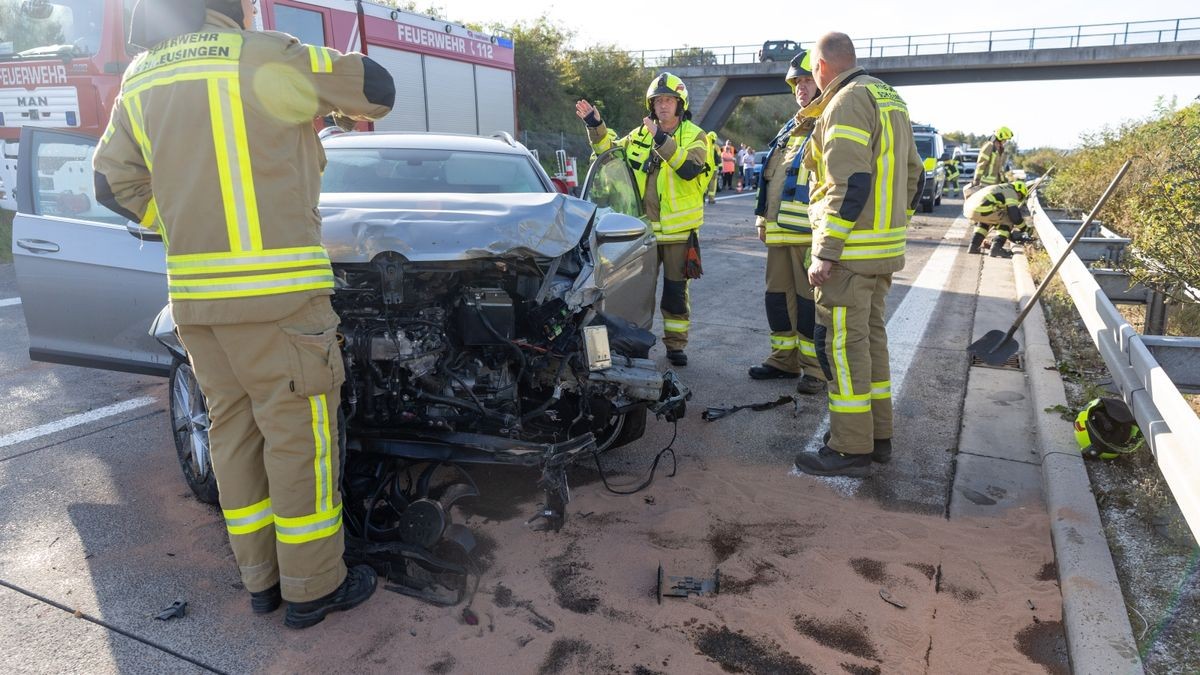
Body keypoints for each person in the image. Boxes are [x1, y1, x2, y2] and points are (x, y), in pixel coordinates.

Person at [93, 0, 395, 628]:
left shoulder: (141, 77)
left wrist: (178, 225)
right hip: (281, 300)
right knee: (297, 440)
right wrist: (325, 90)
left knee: (231, 433)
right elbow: (377, 89)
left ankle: (262, 580)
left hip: (197, 304)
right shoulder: (265, 55)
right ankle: (313, 587)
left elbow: (110, 184)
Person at [792, 32, 923, 477]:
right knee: (871, 344)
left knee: (843, 349)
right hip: (881, 251)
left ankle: (850, 447)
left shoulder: (847, 100)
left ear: (823, 67)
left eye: (812, 68)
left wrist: (826, 251)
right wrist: (890, 225)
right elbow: (914, 174)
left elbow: (848, 183)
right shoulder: (890, 98)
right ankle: (878, 437)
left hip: (848, 255)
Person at [575, 72, 710, 367]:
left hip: (676, 233)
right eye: (658, 100)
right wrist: (596, 126)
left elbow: (689, 168)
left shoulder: (695, 136)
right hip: (642, 233)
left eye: (669, 100)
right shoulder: (639, 134)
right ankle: (632, 341)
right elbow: (609, 153)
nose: (663, 106)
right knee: (634, 291)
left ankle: (675, 346)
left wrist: (661, 140)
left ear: (680, 104)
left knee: (675, 293)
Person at [748, 50, 826, 396]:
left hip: (809, 235)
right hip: (779, 233)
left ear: (823, 82)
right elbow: (771, 176)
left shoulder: (829, 122)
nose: (801, 87)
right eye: (797, 82)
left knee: (809, 304)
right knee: (777, 299)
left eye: (807, 80)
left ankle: (815, 369)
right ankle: (784, 360)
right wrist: (762, 217)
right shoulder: (792, 126)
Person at [964, 180, 1030, 258]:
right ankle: (996, 248)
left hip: (969, 208)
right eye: (1020, 196)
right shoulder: (1011, 192)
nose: (1018, 199)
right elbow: (1014, 216)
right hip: (983, 209)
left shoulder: (1000, 187)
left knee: (985, 221)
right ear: (1019, 191)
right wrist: (1024, 229)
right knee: (1008, 220)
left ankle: (973, 246)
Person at [966, 126, 1013, 197]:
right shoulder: (989, 146)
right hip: (985, 183)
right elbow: (981, 164)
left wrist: (1004, 180)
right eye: (1005, 139)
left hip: (995, 183)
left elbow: (1000, 167)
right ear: (1000, 137)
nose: (1005, 141)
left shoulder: (1000, 149)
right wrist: (977, 179)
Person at [706, 130, 719, 203]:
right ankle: (711, 199)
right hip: (713, 169)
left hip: (705, 168)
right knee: (712, 184)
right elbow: (718, 158)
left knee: (704, 183)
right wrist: (720, 167)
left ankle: (702, 198)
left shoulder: (705, 145)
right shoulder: (715, 147)